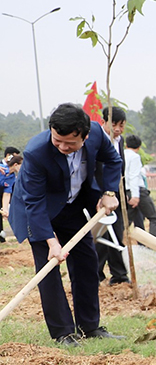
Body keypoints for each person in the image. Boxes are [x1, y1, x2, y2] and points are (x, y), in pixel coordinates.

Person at [9, 104, 124, 345]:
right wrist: (52, 241)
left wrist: (109, 192)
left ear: (85, 135)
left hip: (71, 206)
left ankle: (89, 326)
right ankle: (63, 332)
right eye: (57, 140)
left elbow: (113, 160)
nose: (62, 147)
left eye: (69, 143)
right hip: (37, 211)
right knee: (49, 268)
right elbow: (35, 202)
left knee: (87, 262)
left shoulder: (96, 135)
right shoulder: (36, 152)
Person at [97, 106, 129, 285]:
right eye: (114, 124)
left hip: (117, 194)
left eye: (121, 125)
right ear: (104, 122)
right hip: (100, 194)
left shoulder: (120, 140)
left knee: (117, 232)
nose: (118, 129)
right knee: (101, 235)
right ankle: (96, 274)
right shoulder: (98, 139)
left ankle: (119, 275)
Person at [124, 135, 156, 237]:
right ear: (139, 147)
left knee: (126, 221)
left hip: (126, 191)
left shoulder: (120, 154)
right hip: (138, 191)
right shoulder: (135, 157)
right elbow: (134, 176)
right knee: (153, 218)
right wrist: (135, 195)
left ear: (126, 145)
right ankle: (153, 247)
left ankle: (114, 245)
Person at [1, 154, 22, 239]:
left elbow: (6, 193)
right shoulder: (1, 168)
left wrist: (5, 209)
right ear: (15, 165)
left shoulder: (11, 177)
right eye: (22, 165)